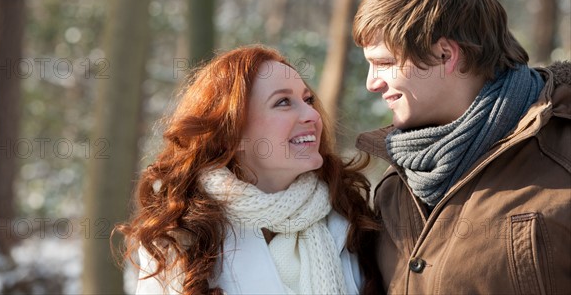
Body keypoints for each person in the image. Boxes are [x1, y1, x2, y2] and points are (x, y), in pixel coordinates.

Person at [352, 0, 570, 294]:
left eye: (383, 62)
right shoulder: (394, 188)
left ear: (445, 55)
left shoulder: (562, 154)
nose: (372, 82)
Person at [117, 45, 382, 295]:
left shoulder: (353, 217)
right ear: (232, 134)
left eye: (307, 99)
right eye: (283, 103)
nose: (312, 115)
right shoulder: (180, 236)